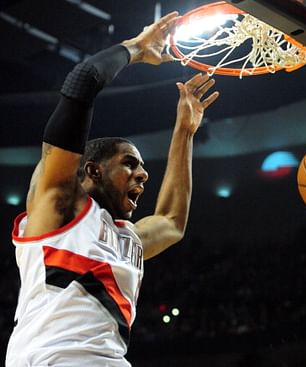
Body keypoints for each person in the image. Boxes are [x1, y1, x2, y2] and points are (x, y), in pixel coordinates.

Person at [6, 11, 219, 367]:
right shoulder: (58, 207)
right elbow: (80, 86)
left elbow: (171, 221)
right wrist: (136, 47)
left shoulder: (128, 238)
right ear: (92, 170)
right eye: (129, 163)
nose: (143, 175)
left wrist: (184, 132)